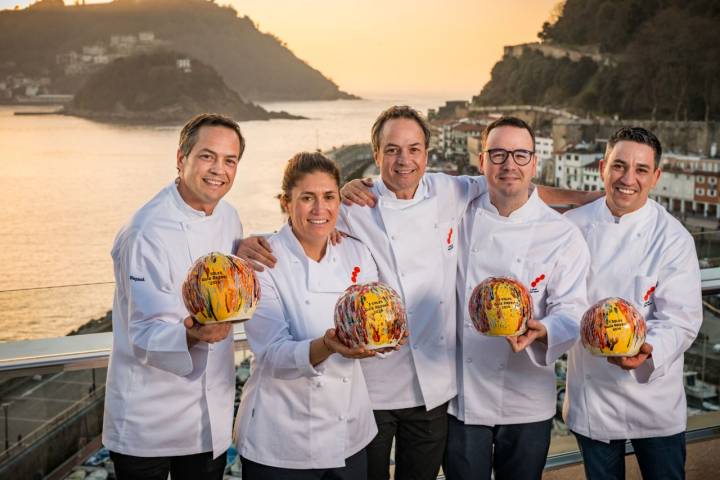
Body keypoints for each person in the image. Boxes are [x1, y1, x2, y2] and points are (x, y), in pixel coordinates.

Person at [238, 106, 594, 480]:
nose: (404, 160)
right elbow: (305, 220)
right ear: (375, 155)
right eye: (392, 150)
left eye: (413, 149)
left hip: (433, 388)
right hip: (372, 387)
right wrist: (250, 244)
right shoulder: (351, 205)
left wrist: (590, 200)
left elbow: (512, 183)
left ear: (426, 153)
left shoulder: (450, 189)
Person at [444, 117, 590, 480]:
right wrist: (357, 186)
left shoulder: (562, 234)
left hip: (527, 399)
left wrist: (544, 330)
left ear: (534, 163)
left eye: (521, 155)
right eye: (498, 154)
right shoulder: (454, 217)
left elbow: (572, 308)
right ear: (482, 163)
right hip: (464, 397)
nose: (510, 164)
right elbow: (405, 197)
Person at [103, 113, 245, 480]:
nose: (219, 169)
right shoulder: (145, 231)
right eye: (207, 156)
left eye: (230, 160)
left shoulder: (230, 218)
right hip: (148, 420)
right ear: (181, 159)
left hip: (207, 419)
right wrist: (193, 334)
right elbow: (142, 333)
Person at [235, 152, 389, 480]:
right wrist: (330, 345)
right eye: (307, 198)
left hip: (348, 435)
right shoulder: (261, 262)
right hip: (281, 441)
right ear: (285, 203)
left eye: (329, 197)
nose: (320, 209)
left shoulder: (357, 252)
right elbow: (272, 354)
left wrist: (388, 334)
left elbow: (376, 315)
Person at [563, 127, 702, 480]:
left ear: (655, 177)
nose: (628, 179)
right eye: (619, 166)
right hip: (593, 396)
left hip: (653, 396)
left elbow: (681, 319)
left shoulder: (673, 238)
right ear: (602, 168)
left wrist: (646, 350)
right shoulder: (571, 227)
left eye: (641, 170)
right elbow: (558, 299)